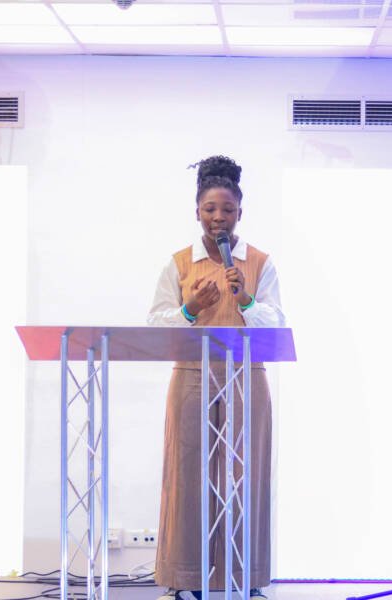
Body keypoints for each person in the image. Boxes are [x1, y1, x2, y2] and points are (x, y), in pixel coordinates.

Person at [146, 156, 285, 600]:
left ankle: (245, 577)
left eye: (227, 209)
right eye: (209, 209)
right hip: (192, 374)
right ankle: (185, 579)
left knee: (246, 474)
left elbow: (276, 326)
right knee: (187, 472)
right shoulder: (179, 263)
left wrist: (246, 301)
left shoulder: (259, 263)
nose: (218, 217)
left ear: (240, 212)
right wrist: (190, 310)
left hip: (246, 373)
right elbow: (155, 324)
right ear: (197, 212)